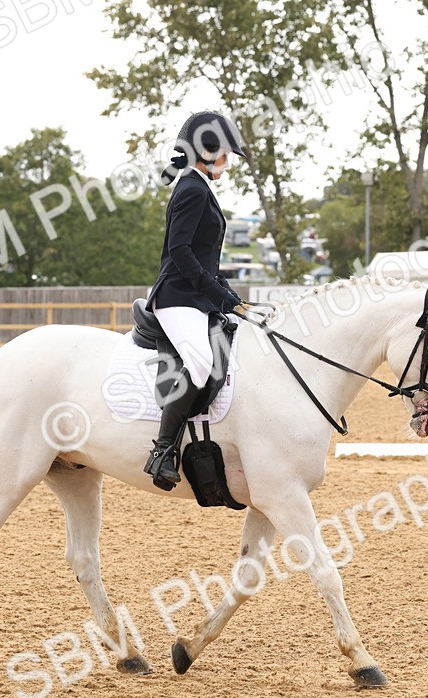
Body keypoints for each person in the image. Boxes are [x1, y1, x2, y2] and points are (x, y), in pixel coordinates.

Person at [143, 111, 248, 489]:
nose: (228, 161)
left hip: (194, 295)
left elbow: (205, 258)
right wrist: (215, 293)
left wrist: (228, 294)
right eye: (225, 153)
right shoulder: (191, 188)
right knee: (201, 362)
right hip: (176, 296)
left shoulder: (199, 186)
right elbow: (180, 251)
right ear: (206, 151)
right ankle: (162, 451)